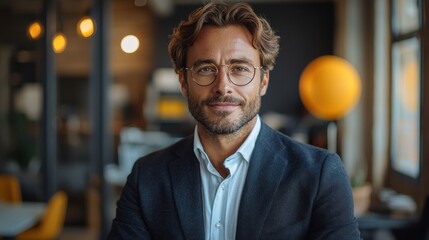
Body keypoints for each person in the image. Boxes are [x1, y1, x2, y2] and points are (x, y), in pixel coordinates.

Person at [108, 1, 361, 239]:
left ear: (263, 81)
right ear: (184, 82)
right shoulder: (147, 177)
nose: (223, 87)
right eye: (206, 69)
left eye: (239, 68)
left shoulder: (320, 174)